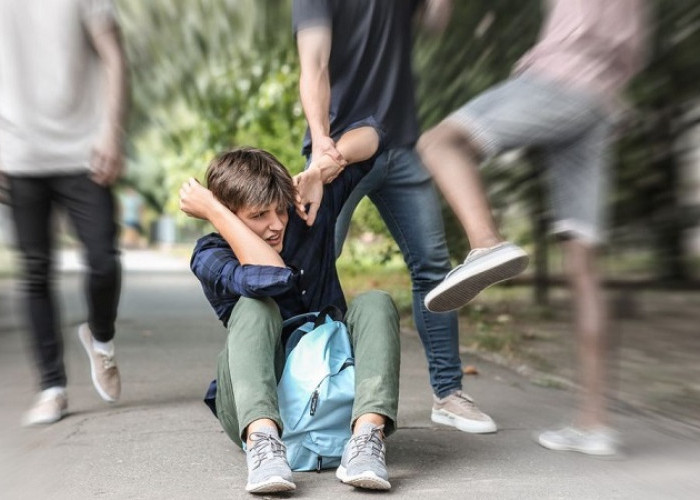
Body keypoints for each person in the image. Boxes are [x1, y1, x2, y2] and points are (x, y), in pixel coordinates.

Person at [417, 0, 647, 455]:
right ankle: (594, 425)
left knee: (441, 143)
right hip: (600, 102)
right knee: (584, 268)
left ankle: (487, 244)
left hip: (558, 78)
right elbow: (630, 47)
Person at [291, 0, 525, 436]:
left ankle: (449, 393)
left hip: (400, 145)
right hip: (338, 150)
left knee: (433, 267)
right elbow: (314, 63)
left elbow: (435, 22)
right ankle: (308, 391)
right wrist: (322, 141)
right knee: (313, 266)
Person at [180, 133, 401, 494]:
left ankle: (367, 440)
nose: (278, 224)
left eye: (280, 209)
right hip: (255, 405)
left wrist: (318, 170)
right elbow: (271, 275)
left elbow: (376, 138)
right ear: (228, 217)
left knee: (375, 301)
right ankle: (264, 447)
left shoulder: (306, 213)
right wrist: (216, 212)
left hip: (333, 386)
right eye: (259, 215)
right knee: (255, 306)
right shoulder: (210, 254)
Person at [0, 0, 128, 425]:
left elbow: (113, 54)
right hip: (19, 153)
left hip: (84, 149)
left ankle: (101, 337)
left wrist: (112, 131)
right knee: (36, 270)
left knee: (104, 261)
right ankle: (51, 387)